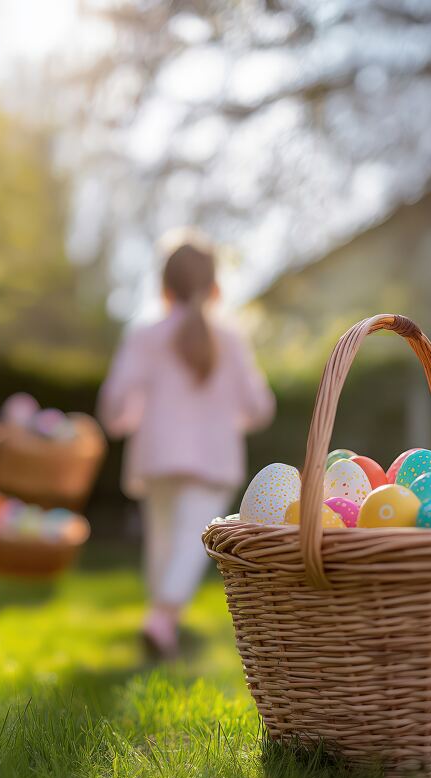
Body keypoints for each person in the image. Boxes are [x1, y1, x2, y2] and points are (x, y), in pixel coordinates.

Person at [98, 232, 275, 657]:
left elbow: (115, 401)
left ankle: (160, 618)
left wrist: (125, 421)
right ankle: (162, 620)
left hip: (157, 454)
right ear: (215, 286)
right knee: (188, 542)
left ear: (164, 285)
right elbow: (259, 405)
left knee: (162, 540)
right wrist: (233, 419)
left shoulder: (146, 334)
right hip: (212, 458)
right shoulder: (229, 338)